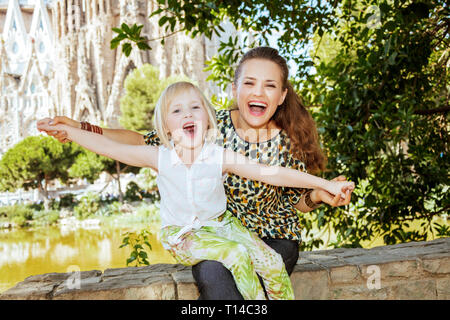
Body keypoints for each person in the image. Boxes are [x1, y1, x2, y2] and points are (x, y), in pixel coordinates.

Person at [40, 46, 354, 300]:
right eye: (250, 82)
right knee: (216, 272)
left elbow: (275, 177)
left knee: (256, 263)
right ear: (234, 88)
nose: (258, 92)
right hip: (204, 236)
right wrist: (76, 129)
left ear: (281, 95)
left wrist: (320, 189)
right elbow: (127, 144)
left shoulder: (237, 145)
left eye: (269, 85)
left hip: (268, 235)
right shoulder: (188, 137)